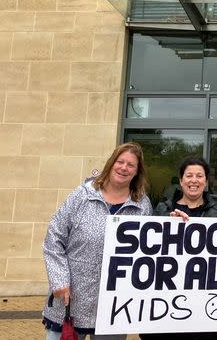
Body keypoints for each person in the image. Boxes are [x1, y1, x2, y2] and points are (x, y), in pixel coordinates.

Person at [42, 142, 152, 340]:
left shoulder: (142, 206)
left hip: (114, 305)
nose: (124, 168)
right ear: (111, 164)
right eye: (120, 162)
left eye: (131, 165)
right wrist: (59, 281)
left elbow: (149, 250)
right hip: (71, 298)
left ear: (137, 172)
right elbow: (54, 238)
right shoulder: (82, 196)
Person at [141, 157, 217, 340]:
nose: (194, 180)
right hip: (164, 307)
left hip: (204, 309)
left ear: (205, 181)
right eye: (189, 175)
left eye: (199, 175)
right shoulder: (162, 210)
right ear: (181, 180)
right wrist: (168, 226)